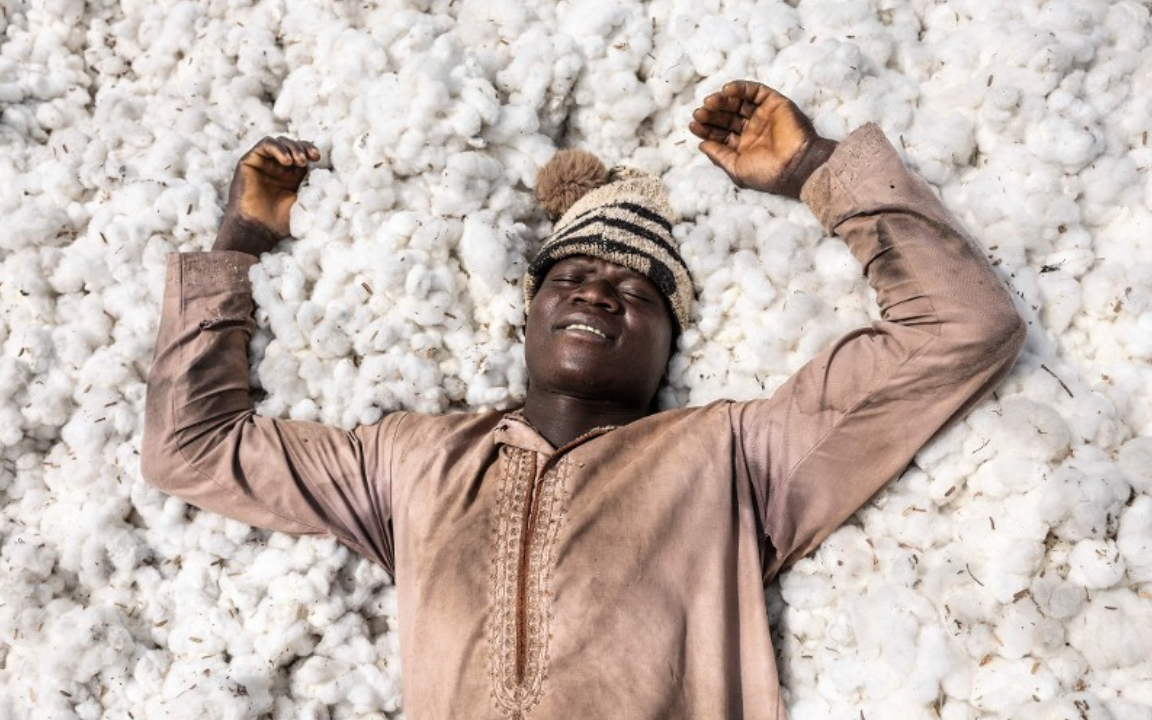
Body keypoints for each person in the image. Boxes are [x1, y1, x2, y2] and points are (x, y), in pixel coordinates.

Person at [141, 80, 1025, 719]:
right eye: (570, 278)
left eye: (638, 291)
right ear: (529, 313)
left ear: (669, 343)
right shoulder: (411, 461)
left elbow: (962, 326)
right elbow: (191, 446)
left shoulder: (731, 459)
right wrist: (242, 240)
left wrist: (813, 167)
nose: (599, 292)